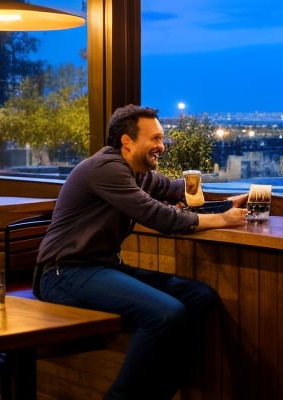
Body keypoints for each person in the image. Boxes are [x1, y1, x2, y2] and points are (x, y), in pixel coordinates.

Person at [35, 104, 247, 400]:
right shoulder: (107, 168)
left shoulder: (138, 173)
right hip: (64, 273)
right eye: (155, 139)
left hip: (101, 268)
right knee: (166, 313)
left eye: (162, 138)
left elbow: (175, 190)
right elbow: (158, 217)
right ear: (127, 141)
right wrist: (221, 219)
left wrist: (227, 202)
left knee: (200, 297)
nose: (162, 146)